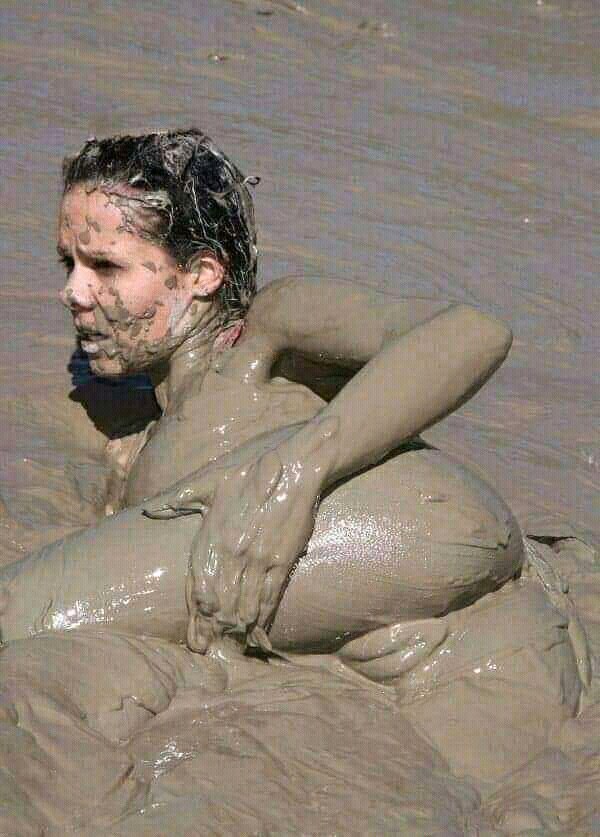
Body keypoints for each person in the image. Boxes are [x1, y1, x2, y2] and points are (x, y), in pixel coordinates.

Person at [0, 131, 585, 804]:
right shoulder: (149, 435)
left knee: (19, 611)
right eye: (68, 262)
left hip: (411, 518)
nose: (73, 291)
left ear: (202, 274)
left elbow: (473, 331)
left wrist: (296, 471)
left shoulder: (262, 334)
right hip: (443, 592)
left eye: (105, 266)